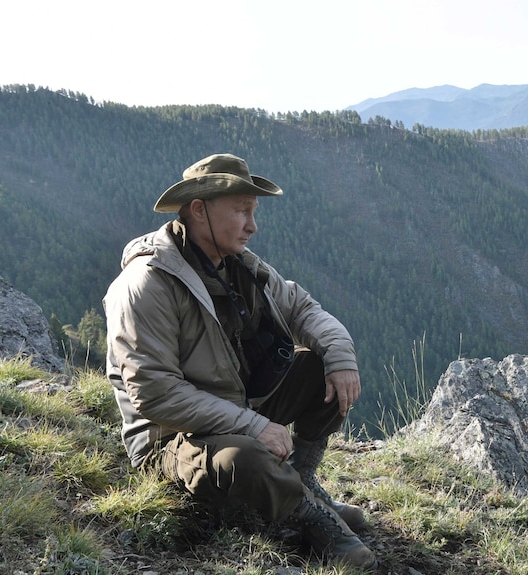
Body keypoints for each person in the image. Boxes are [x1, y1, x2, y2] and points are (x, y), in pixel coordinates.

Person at [103, 153, 376, 570]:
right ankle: (313, 521)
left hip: (238, 405)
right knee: (241, 458)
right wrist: (252, 425)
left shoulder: (238, 267)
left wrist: (340, 356)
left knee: (322, 368)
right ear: (199, 210)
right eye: (242, 211)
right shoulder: (147, 284)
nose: (253, 225)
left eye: (253, 211)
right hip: (170, 439)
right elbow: (154, 393)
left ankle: (300, 482)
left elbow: (301, 307)